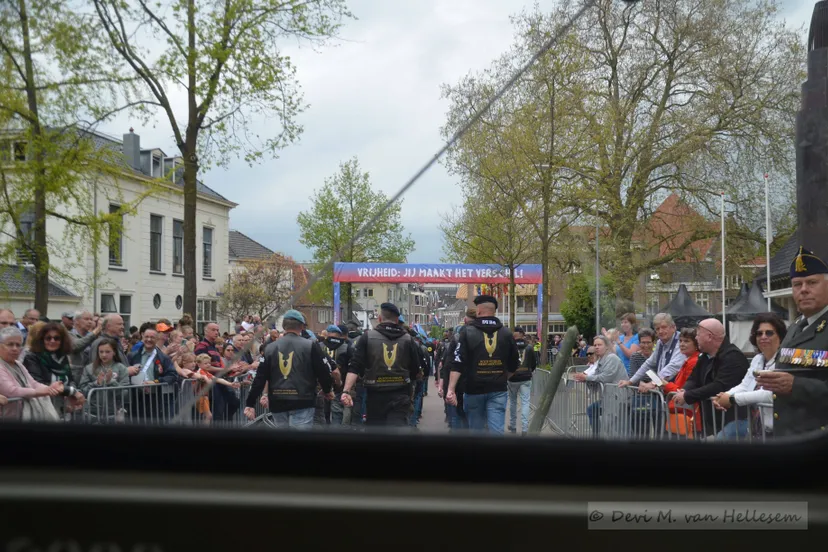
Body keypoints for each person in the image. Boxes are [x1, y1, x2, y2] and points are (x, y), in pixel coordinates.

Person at [755, 247, 828, 437]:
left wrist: (795, 385)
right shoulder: (796, 326)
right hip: (790, 438)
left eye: (812, 283)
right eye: (797, 284)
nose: (804, 290)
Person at [244, 310, 333, 430]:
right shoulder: (310, 345)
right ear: (302, 326)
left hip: (278, 400)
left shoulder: (270, 348)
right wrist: (327, 390)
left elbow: (260, 377)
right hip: (303, 400)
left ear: (284, 326)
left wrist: (250, 403)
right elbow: (323, 372)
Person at [446, 295, 520, 434]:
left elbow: (458, 362)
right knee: (497, 430)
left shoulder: (467, 332)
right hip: (498, 389)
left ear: (478, 311)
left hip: (474, 389)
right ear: (494, 311)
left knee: (476, 431)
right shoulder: (506, 333)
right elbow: (515, 362)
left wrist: (451, 389)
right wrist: (503, 377)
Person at [341, 303, 420, 428]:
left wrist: (346, 390)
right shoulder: (408, 339)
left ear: (379, 318)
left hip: (375, 395)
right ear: (397, 320)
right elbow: (415, 369)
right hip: (400, 394)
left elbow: (355, 366)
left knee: (377, 434)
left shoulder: (367, 337)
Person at [713, 314, 787, 440]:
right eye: (759, 333)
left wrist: (732, 399)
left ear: (780, 336)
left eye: (769, 333)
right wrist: (724, 396)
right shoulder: (758, 359)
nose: (763, 337)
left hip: (781, 431)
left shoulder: (785, 360)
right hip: (758, 429)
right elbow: (745, 385)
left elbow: (769, 393)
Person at [674, 318, 749, 438]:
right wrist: (685, 390)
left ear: (709, 337)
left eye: (698, 334)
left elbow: (719, 386)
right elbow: (694, 378)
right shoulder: (705, 356)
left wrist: (688, 396)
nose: (696, 338)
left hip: (733, 420)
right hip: (713, 421)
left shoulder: (733, 357)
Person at [639, 327, 700, 438]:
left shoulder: (693, 362)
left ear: (696, 344)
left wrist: (665, 384)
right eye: (680, 341)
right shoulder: (688, 360)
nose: (682, 344)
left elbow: (684, 390)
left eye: (686, 341)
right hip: (680, 411)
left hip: (687, 413)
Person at [22, 321, 85, 417]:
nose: (52, 341)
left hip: (62, 408)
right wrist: (70, 391)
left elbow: (70, 379)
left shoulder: (62, 356)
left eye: (56, 338)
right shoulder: (32, 357)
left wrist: (73, 394)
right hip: (41, 407)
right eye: (48, 338)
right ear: (42, 339)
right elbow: (38, 383)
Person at [0, 326, 63, 421]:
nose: (15, 348)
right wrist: (40, 392)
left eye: (18, 345)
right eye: (10, 344)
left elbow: (33, 383)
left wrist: (50, 388)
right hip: (8, 421)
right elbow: (12, 391)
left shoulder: (18, 364)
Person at [573, 335, 626, 437]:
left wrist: (586, 378)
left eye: (599, 345)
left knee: (615, 428)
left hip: (618, 398)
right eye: (595, 345)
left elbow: (605, 377)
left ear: (607, 346)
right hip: (608, 398)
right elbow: (595, 381)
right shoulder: (601, 360)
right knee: (593, 411)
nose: (596, 347)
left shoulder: (612, 358)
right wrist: (584, 380)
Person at [79, 338, 130, 422]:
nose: (103, 355)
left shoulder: (121, 368)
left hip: (113, 414)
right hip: (92, 414)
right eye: (101, 352)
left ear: (114, 352)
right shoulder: (89, 368)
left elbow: (125, 394)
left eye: (107, 352)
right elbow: (82, 390)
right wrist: (96, 383)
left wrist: (111, 382)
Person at [507, 327, 536, 435]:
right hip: (525, 377)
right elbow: (533, 363)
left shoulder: (510, 347)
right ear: (523, 335)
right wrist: (528, 371)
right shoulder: (529, 347)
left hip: (513, 378)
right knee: (525, 403)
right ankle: (524, 429)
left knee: (513, 402)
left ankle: (513, 426)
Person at [322, 324, 351, 426]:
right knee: (337, 411)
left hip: (322, 384)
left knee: (323, 411)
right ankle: (335, 436)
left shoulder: (319, 346)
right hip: (339, 383)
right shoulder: (346, 347)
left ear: (327, 334)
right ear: (339, 335)